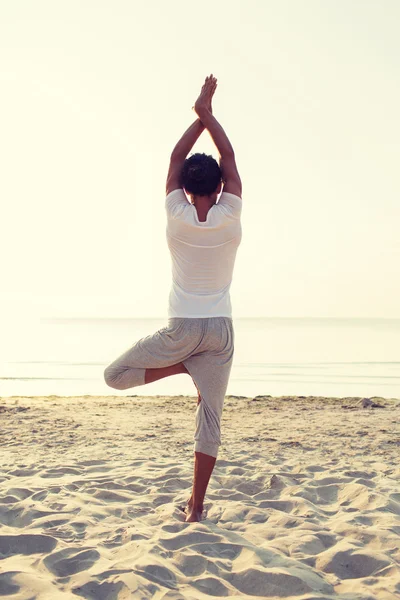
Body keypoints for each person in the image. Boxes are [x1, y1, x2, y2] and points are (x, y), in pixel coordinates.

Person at [104, 75, 242, 522]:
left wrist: (197, 116)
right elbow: (230, 156)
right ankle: (196, 506)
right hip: (219, 331)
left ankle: (184, 366)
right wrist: (207, 113)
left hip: (182, 328)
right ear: (220, 188)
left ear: (185, 188)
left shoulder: (176, 213)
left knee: (115, 375)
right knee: (211, 423)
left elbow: (176, 156)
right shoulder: (231, 213)